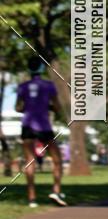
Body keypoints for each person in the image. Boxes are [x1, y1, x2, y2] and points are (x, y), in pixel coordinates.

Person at [16, 56, 67, 207]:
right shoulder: (49, 85)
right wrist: (48, 107)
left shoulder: (22, 86)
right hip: (44, 127)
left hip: (27, 126)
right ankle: (56, 191)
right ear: (41, 69)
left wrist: (30, 107)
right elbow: (57, 107)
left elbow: (18, 108)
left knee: (29, 162)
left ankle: (32, 198)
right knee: (57, 160)